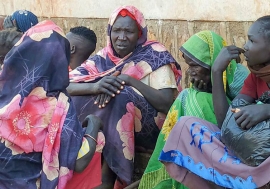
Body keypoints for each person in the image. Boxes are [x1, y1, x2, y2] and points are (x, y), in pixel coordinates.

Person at [68, 5, 181, 188]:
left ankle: (110, 179)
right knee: (85, 93)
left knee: (120, 95)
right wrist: (96, 86)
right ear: (109, 31)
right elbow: (66, 85)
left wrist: (128, 80)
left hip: (152, 129)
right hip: (110, 121)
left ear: (140, 34)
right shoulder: (103, 57)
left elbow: (167, 104)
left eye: (128, 31)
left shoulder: (155, 55)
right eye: (117, 30)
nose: (121, 37)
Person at [159, 15, 270, 189]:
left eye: (252, 41)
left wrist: (266, 110)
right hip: (252, 151)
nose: (245, 46)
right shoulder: (255, 77)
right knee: (186, 125)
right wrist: (217, 71)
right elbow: (225, 122)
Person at [139, 30, 249, 189]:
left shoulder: (239, 79)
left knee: (192, 97)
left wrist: (216, 73)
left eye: (194, 66)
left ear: (211, 63)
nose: (189, 72)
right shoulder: (201, 87)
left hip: (235, 147)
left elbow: (227, 123)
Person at [0, 20, 102, 189]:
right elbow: (79, 161)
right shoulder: (57, 102)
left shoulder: (4, 87)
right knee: (96, 142)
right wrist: (94, 124)